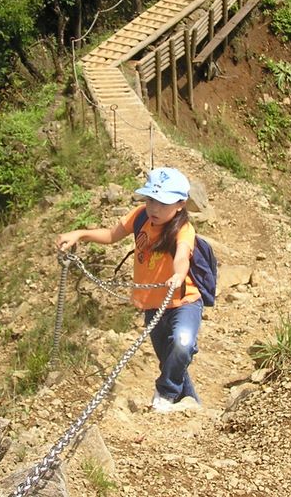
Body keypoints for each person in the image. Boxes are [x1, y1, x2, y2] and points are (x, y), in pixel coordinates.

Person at [56, 167, 203, 413]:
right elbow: (112, 235)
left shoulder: (183, 229)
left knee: (182, 344)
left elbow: (182, 255)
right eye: (150, 200)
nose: (154, 208)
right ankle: (191, 407)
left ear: (180, 204)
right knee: (170, 359)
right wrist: (80, 234)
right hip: (152, 304)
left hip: (183, 301)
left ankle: (165, 395)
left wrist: (178, 274)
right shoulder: (140, 217)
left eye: (162, 203)